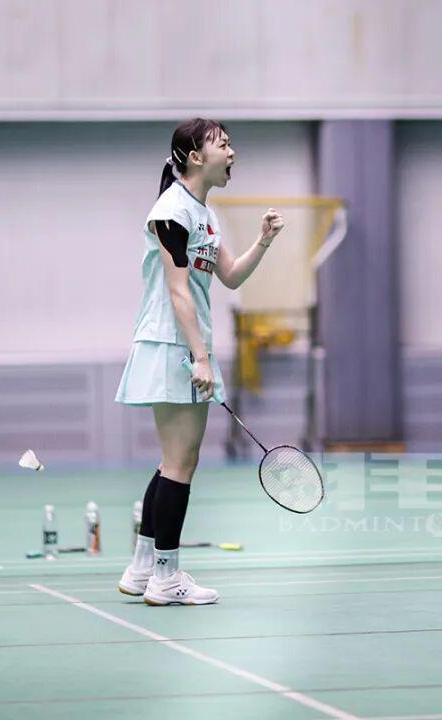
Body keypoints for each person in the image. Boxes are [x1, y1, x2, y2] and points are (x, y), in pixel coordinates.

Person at [115, 118, 284, 605]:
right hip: (173, 344)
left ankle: (143, 568)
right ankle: (167, 577)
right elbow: (178, 291)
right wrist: (202, 358)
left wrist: (263, 240)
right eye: (222, 145)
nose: (232, 152)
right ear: (194, 156)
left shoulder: (203, 213)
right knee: (181, 463)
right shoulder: (172, 212)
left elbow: (229, 276)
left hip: (182, 345)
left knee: (173, 460)